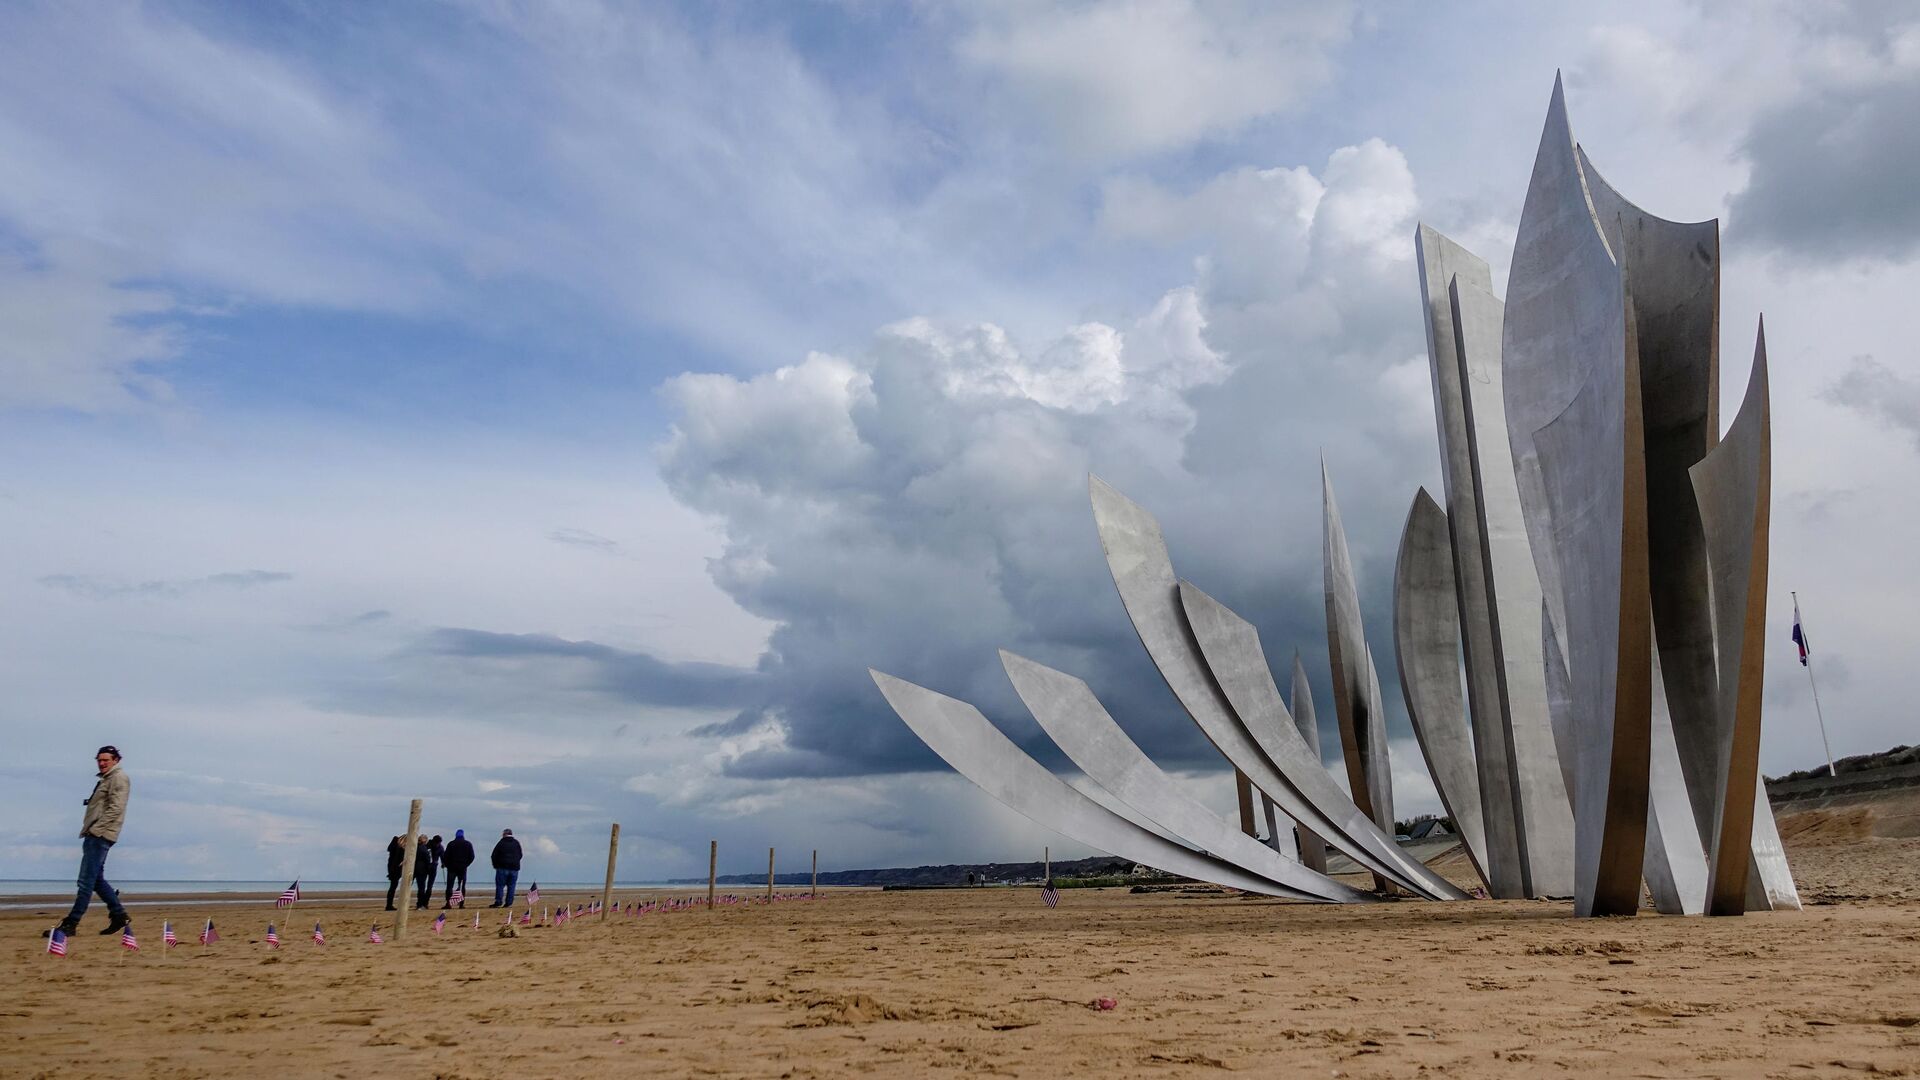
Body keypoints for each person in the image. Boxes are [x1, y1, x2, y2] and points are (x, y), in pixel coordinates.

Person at [47, 746, 132, 939]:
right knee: (96, 880)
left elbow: (115, 809)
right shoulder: (107, 779)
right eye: (99, 760)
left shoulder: (119, 778)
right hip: (95, 834)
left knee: (85, 881)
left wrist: (96, 830)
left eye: (106, 760)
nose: (102, 763)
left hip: (100, 836)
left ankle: (71, 923)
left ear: (116, 760)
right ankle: (119, 915)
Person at [489, 828, 523, 908]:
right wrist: (515, 862)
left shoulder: (501, 843)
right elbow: (520, 855)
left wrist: (495, 865)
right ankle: (509, 902)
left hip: (502, 867)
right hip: (514, 868)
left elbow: (494, 855)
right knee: (511, 886)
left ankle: (498, 901)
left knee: (500, 885)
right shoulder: (516, 843)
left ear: (504, 834)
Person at [441, 829, 475, 908]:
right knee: (462, 885)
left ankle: (448, 903)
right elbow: (472, 856)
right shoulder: (468, 844)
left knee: (450, 886)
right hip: (462, 868)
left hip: (452, 868)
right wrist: (466, 864)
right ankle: (461, 904)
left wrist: (447, 865)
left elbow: (445, 856)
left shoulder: (451, 844)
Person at [413, 834, 439, 910]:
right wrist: (429, 868)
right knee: (422, 887)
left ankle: (419, 903)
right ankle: (420, 904)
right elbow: (427, 860)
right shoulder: (424, 849)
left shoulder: (416, 847)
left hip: (416, 869)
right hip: (422, 869)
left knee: (420, 887)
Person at [384, 836, 405, 910]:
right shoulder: (398, 850)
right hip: (395, 871)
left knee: (392, 888)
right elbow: (397, 862)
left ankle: (389, 904)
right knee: (393, 888)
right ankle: (389, 905)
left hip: (392, 871)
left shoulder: (393, 850)